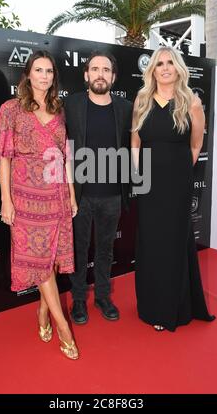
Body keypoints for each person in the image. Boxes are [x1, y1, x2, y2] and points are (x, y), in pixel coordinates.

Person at [0, 50, 79, 359]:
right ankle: (63, 328)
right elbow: (4, 157)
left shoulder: (58, 108)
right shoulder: (11, 110)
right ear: (28, 74)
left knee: (53, 259)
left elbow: (64, 156)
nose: (45, 76)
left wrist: (70, 193)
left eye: (49, 71)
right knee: (40, 261)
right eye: (39, 70)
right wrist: (6, 198)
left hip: (55, 194)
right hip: (26, 197)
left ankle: (43, 312)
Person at [131, 47, 215, 332]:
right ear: (152, 70)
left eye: (170, 63)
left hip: (178, 183)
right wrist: (138, 173)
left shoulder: (191, 101)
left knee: (174, 241)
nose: (165, 68)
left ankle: (174, 307)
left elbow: (195, 144)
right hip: (149, 183)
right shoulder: (142, 100)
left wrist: (178, 172)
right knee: (152, 242)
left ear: (178, 68)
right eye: (159, 64)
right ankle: (153, 304)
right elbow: (135, 143)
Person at [64, 51, 133, 324]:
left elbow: (136, 146)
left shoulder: (126, 108)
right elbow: (60, 146)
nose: (100, 74)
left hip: (113, 194)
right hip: (80, 195)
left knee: (105, 249)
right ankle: (79, 299)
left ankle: (103, 295)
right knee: (79, 249)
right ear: (86, 75)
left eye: (106, 70)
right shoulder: (71, 105)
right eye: (95, 69)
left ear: (113, 77)